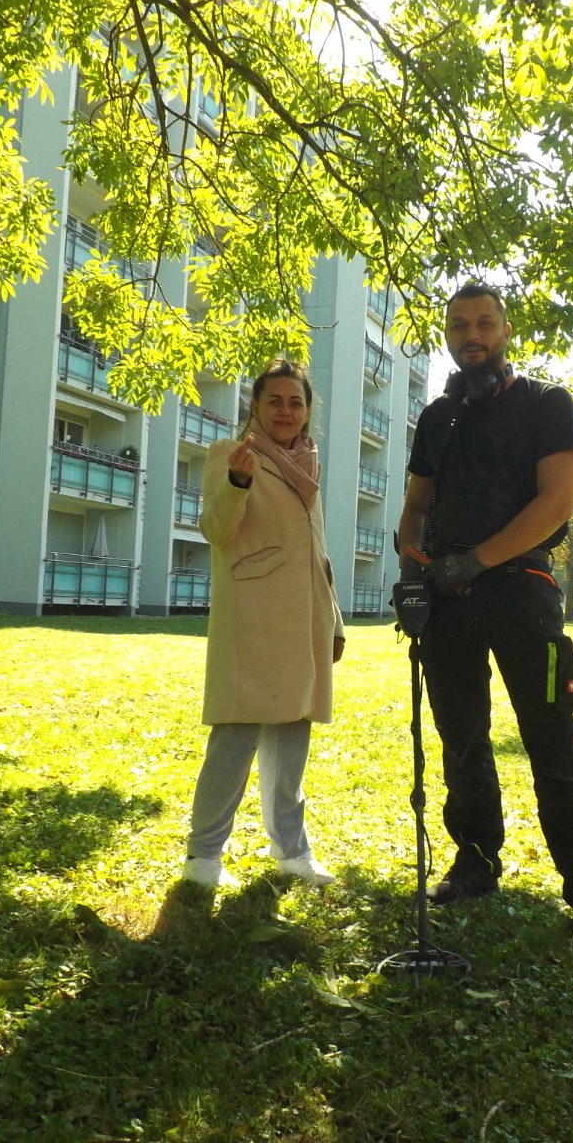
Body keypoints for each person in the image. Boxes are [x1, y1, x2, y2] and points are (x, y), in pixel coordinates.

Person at [397, 283, 573, 948]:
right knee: (461, 738)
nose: (471, 334)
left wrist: (476, 560)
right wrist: (413, 572)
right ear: (448, 335)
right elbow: (416, 506)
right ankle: (475, 862)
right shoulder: (438, 418)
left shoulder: (546, 405)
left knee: (553, 741)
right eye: (459, 325)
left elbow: (556, 504)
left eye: (484, 323)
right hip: (446, 599)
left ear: (504, 331)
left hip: (522, 592)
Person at [183, 359, 346, 890]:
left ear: (308, 411)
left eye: (295, 402)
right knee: (235, 738)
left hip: (306, 620)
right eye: (274, 400)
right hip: (254, 619)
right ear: (255, 406)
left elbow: (317, 551)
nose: (285, 411)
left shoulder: (308, 462)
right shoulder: (230, 455)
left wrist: (334, 619)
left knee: (293, 736)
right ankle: (203, 856)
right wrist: (237, 482)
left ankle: (292, 851)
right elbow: (215, 529)